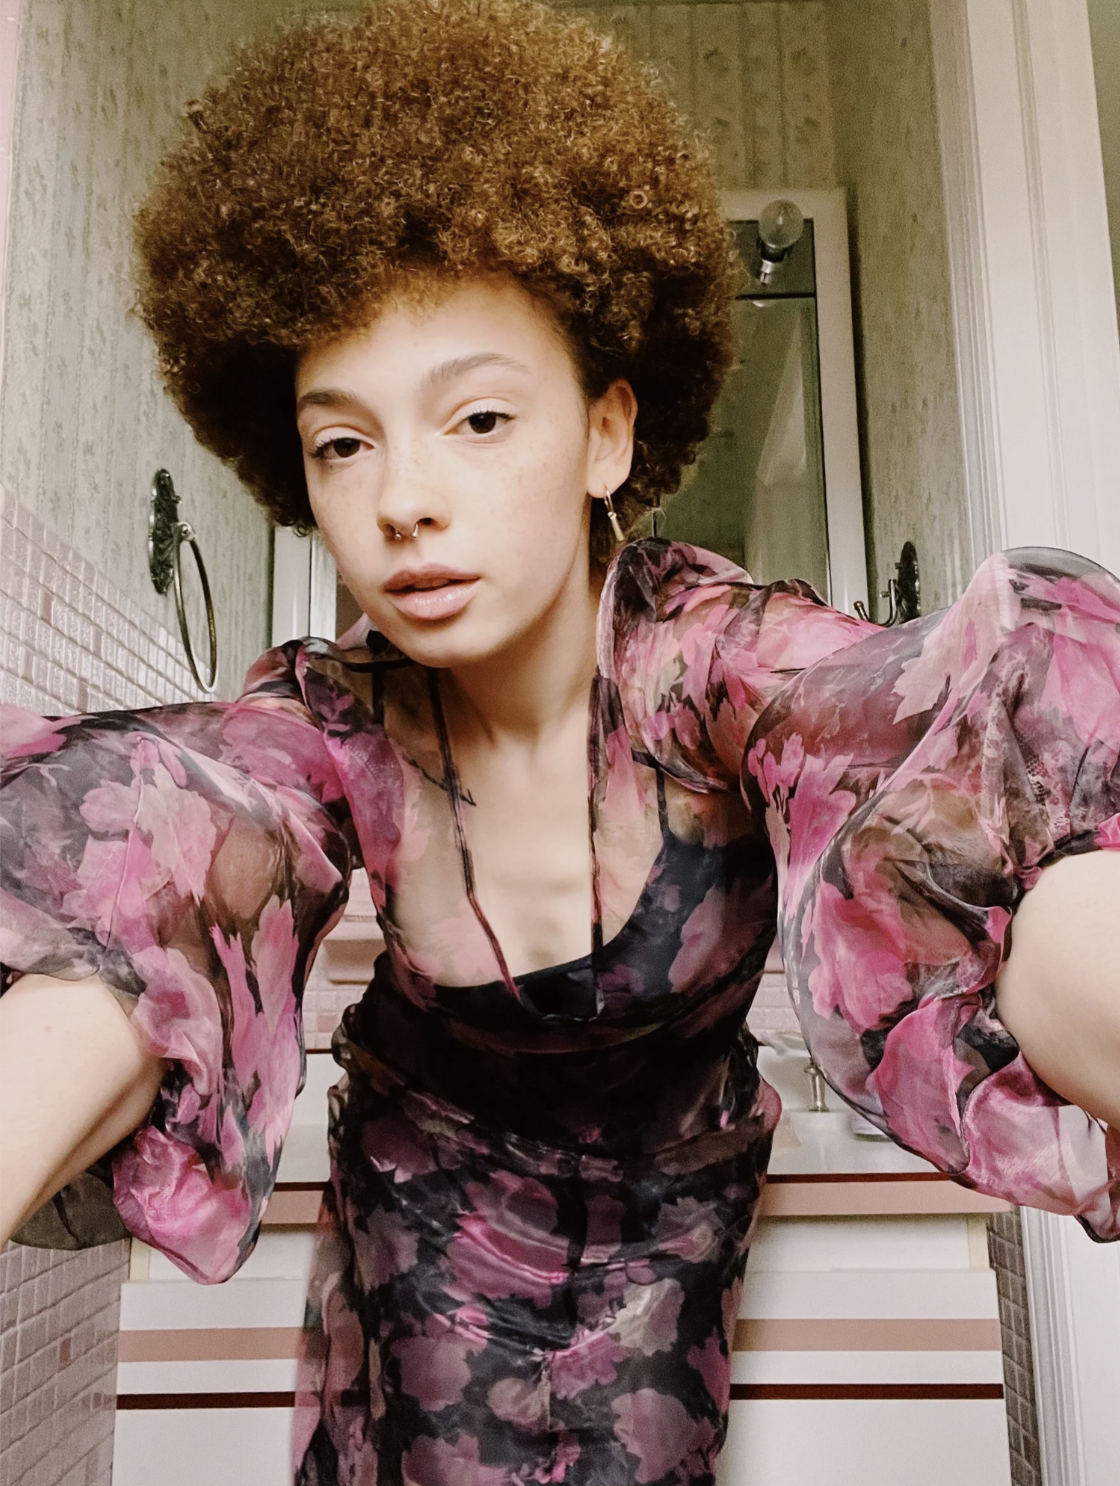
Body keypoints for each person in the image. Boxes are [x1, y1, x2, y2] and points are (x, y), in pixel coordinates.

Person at [0, 1, 1117, 1481]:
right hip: (417, 1250)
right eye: (344, 441)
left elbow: (951, 781)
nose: (402, 498)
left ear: (607, 435)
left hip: (669, 1252)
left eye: (475, 418)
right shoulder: (332, 720)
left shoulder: (717, 660)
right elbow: (165, 856)